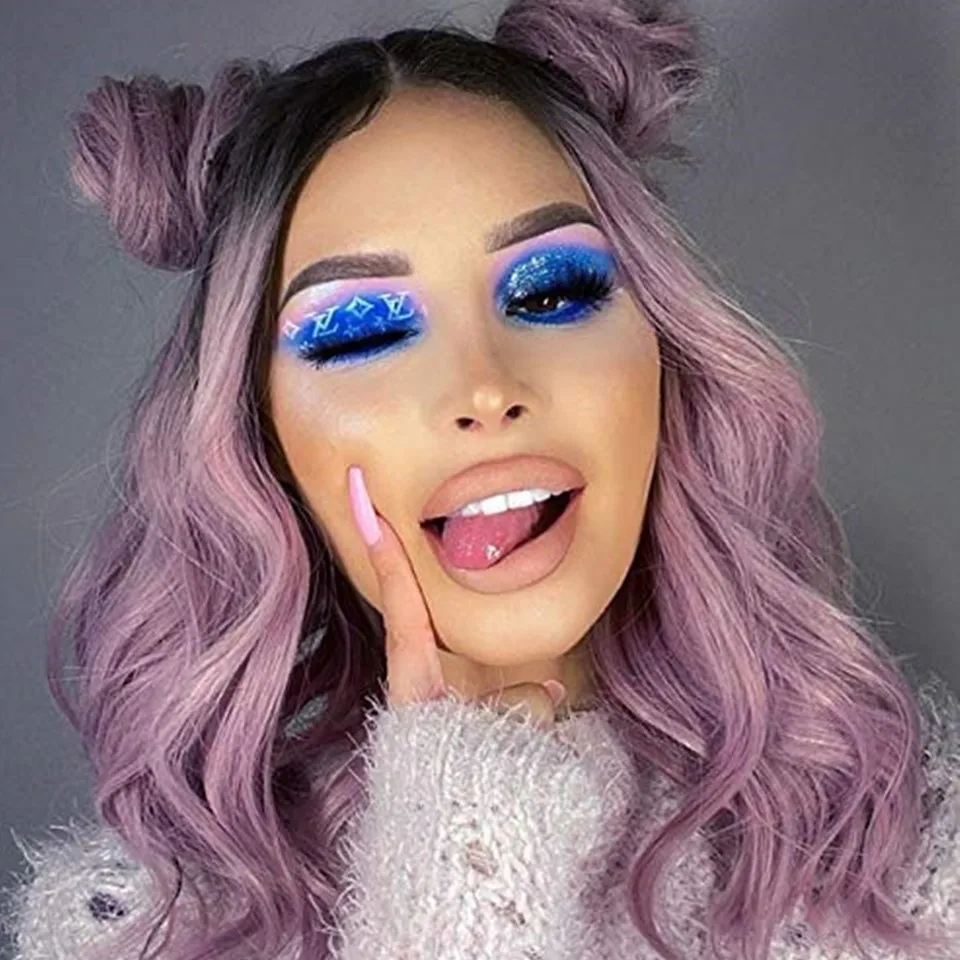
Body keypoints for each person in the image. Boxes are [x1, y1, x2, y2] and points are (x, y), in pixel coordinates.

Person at [4, 1, 958, 958]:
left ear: (664, 352)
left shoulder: (914, 855)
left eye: (552, 291)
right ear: (261, 440)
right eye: (359, 331)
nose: (484, 389)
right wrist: (459, 824)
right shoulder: (133, 927)